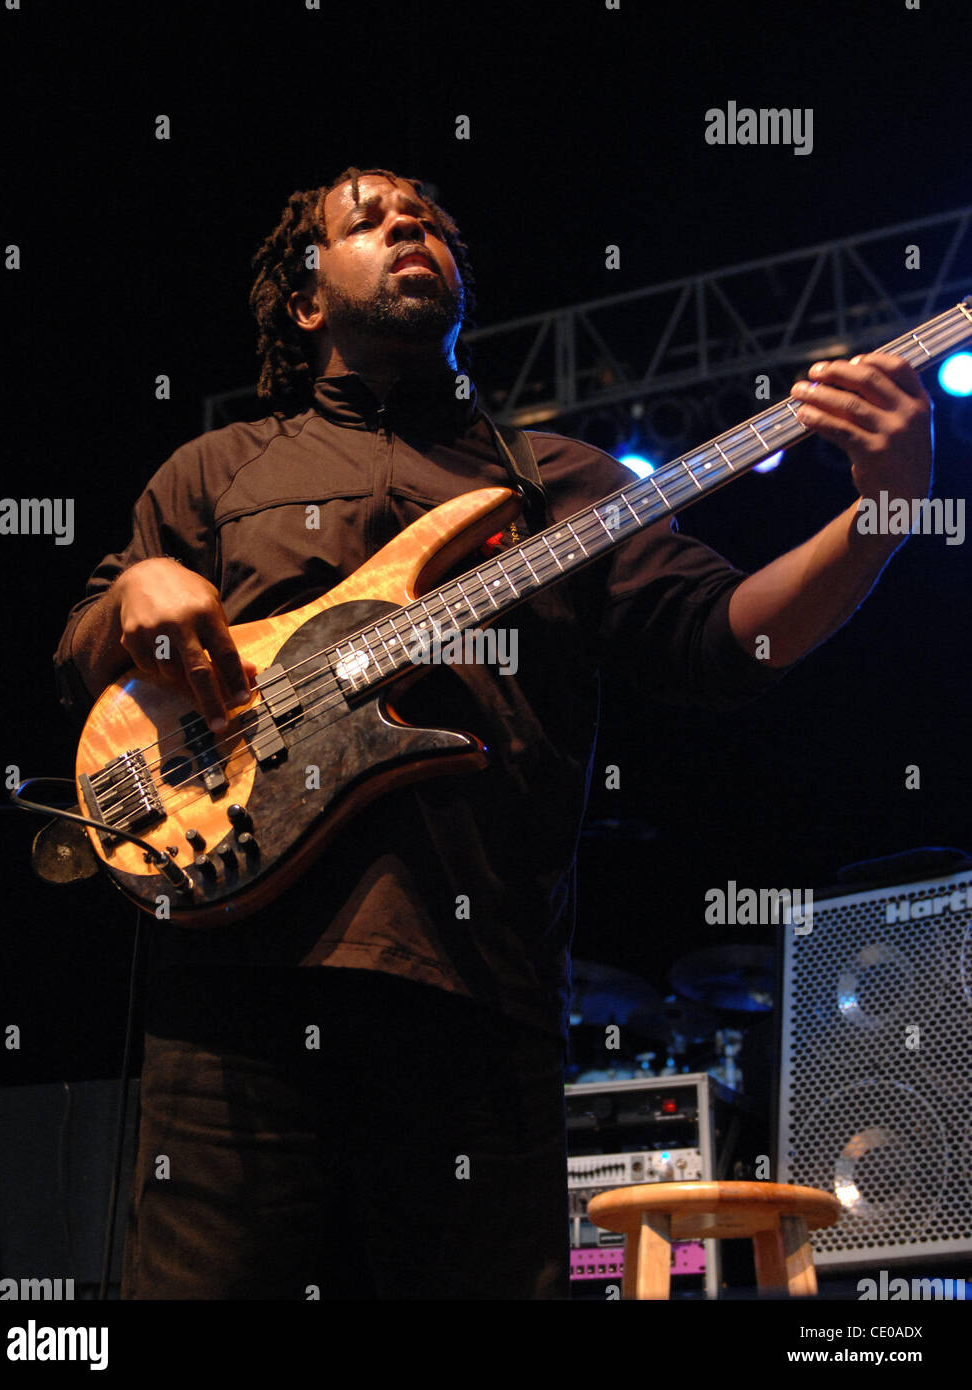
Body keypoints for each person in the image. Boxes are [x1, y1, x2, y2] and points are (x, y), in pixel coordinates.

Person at [53, 166, 932, 1299]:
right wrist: (139, 592)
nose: (408, 225)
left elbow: (727, 645)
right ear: (308, 300)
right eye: (367, 221)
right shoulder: (215, 470)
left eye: (426, 218)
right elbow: (84, 642)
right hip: (238, 999)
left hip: (478, 1001)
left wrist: (882, 514)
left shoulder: (562, 482)